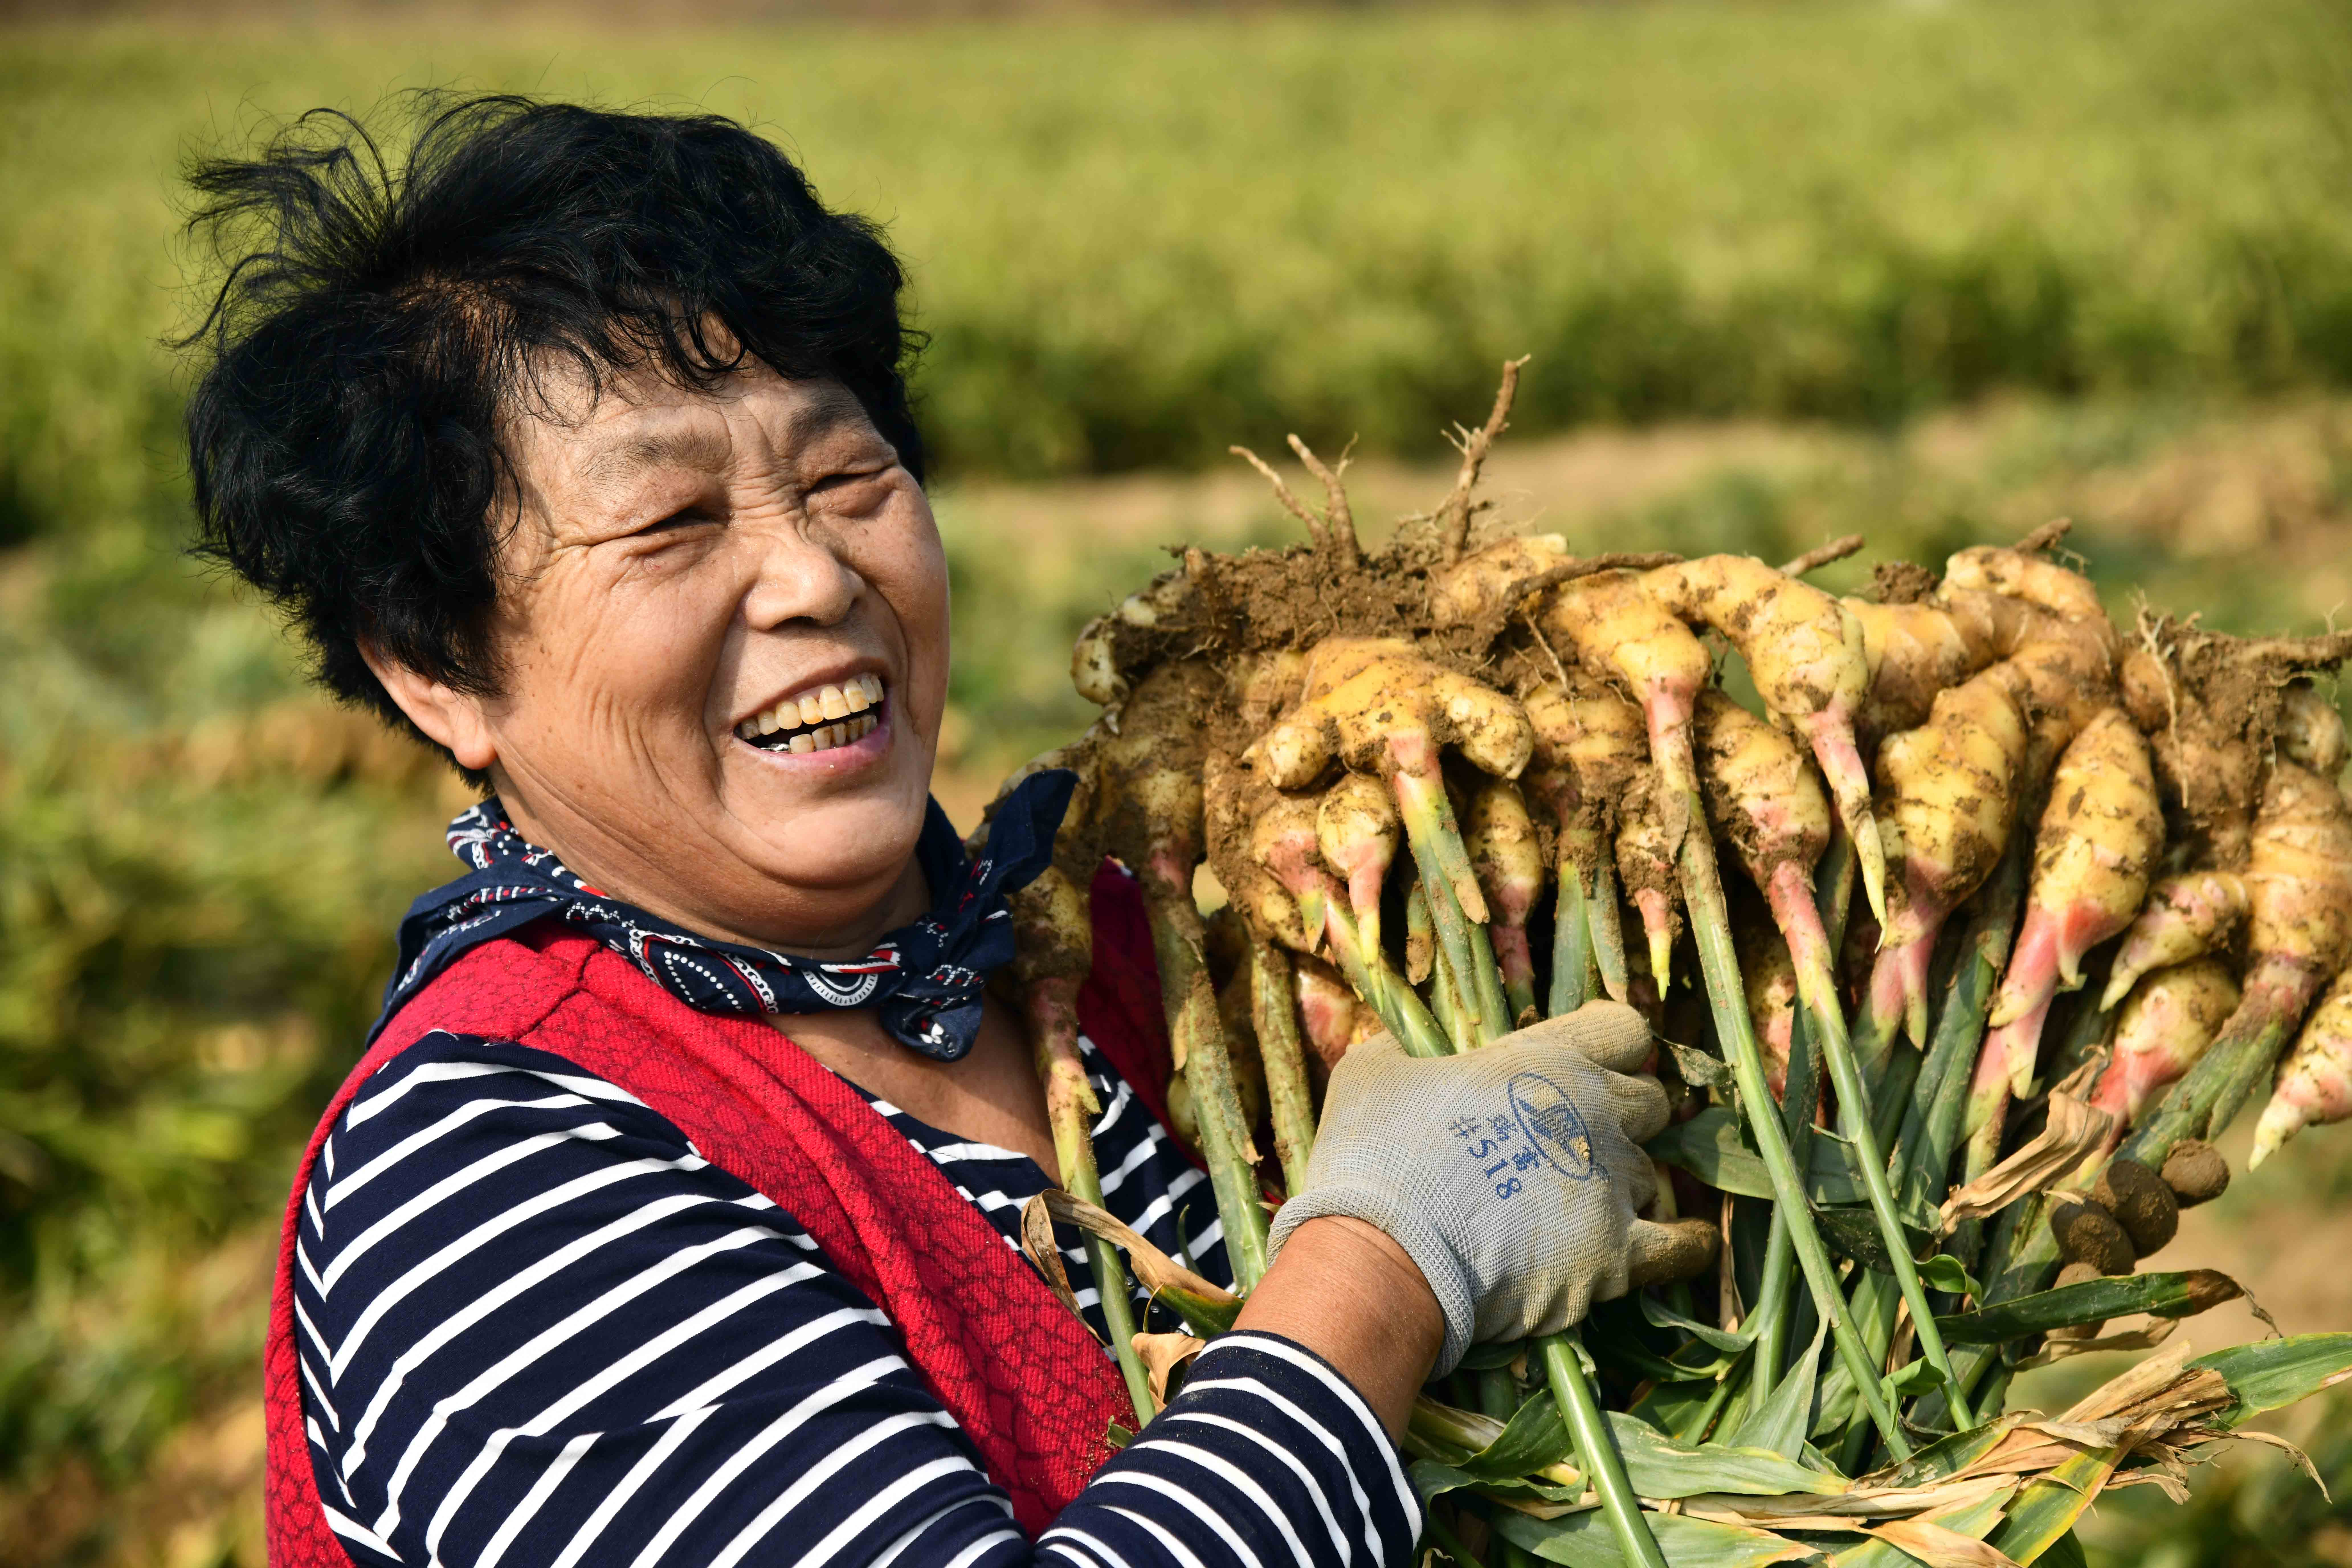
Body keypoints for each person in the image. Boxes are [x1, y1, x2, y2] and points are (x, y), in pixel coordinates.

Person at [182, 94, 1711, 1568]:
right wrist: (1387, 1265)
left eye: (849, 478)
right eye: (672, 526)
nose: (812, 578)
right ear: (438, 667)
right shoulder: (481, 1186)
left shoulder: (1137, 943)